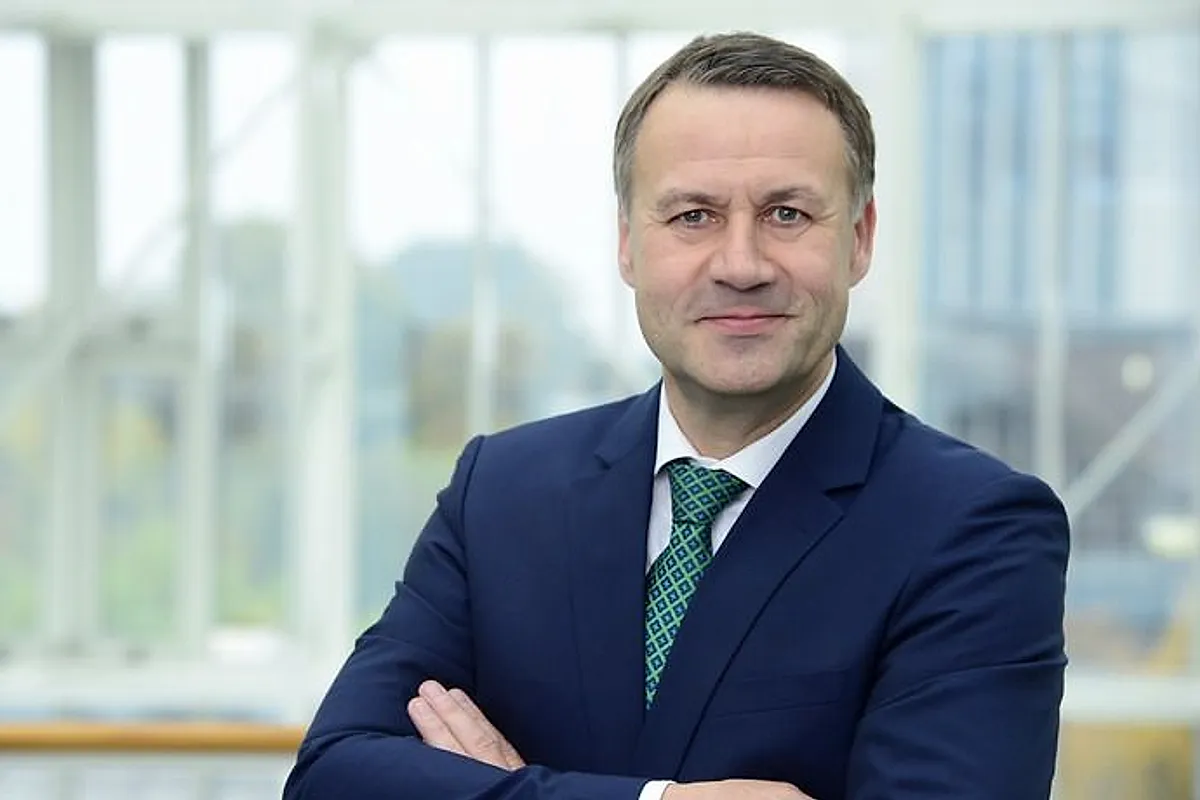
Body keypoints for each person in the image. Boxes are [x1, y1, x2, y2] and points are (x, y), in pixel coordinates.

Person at [282, 31, 1069, 800]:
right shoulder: (500, 493)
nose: (741, 265)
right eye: (693, 215)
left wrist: (501, 787)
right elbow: (332, 776)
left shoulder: (974, 529)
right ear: (628, 243)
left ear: (859, 240)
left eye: (787, 214)